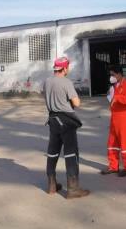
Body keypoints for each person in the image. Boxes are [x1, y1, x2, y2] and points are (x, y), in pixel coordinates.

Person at [43, 57, 89, 199]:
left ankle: (51, 185)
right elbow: (77, 102)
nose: (68, 69)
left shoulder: (47, 82)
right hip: (66, 120)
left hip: (52, 120)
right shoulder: (66, 82)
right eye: (68, 67)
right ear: (64, 68)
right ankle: (73, 189)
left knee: (53, 152)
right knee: (71, 153)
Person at [101, 66, 126, 177]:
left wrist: (117, 97)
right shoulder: (114, 86)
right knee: (112, 143)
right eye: (110, 75)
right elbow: (112, 99)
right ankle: (113, 166)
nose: (111, 77)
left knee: (125, 144)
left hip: (124, 118)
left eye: (113, 75)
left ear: (120, 74)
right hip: (114, 118)